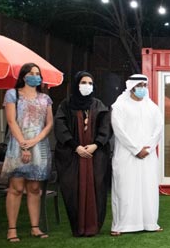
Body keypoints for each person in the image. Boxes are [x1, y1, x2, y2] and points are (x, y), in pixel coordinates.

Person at [54, 71, 112, 237]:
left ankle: (93, 227)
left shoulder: (99, 105)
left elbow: (106, 127)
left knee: (97, 187)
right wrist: (76, 147)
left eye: (90, 83)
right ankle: (78, 227)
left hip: (95, 155)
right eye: (83, 82)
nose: (87, 86)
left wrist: (96, 144)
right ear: (76, 84)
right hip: (73, 155)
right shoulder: (66, 105)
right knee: (73, 189)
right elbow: (60, 127)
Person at [1, 63, 54, 242]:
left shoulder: (45, 99)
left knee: (34, 188)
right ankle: (12, 229)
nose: (35, 76)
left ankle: (35, 227)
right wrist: (24, 145)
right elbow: (11, 121)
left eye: (38, 73)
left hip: (39, 146)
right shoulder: (12, 94)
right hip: (17, 145)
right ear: (23, 76)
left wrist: (35, 141)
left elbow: (49, 124)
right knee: (16, 187)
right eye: (31, 73)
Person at [110, 74, 164, 236]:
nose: (142, 88)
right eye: (139, 85)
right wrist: (136, 149)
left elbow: (158, 129)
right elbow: (119, 130)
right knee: (125, 189)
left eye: (144, 85)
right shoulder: (120, 106)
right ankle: (121, 225)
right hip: (126, 155)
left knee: (148, 189)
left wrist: (148, 148)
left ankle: (150, 223)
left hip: (148, 155)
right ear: (131, 87)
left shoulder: (152, 107)